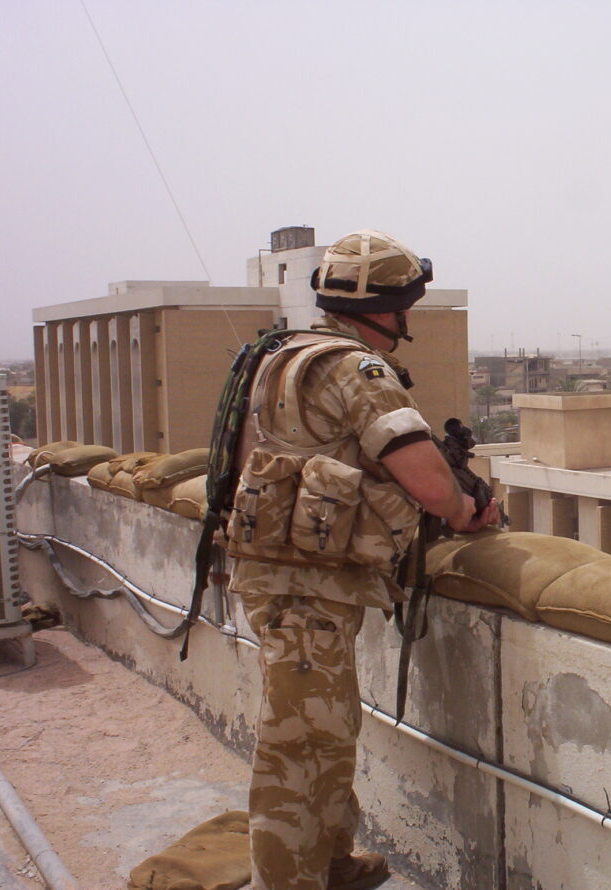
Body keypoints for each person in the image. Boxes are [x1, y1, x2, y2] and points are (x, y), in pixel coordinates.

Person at [225, 230, 499, 890]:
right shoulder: (358, 371)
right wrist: (468, 509)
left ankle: (331, 862)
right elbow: (430, 485)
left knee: (327, 729)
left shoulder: (281, 355)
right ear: (389, 306)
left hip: (281, 577)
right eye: (406, 301)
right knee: (298, 749)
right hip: (308, 588)